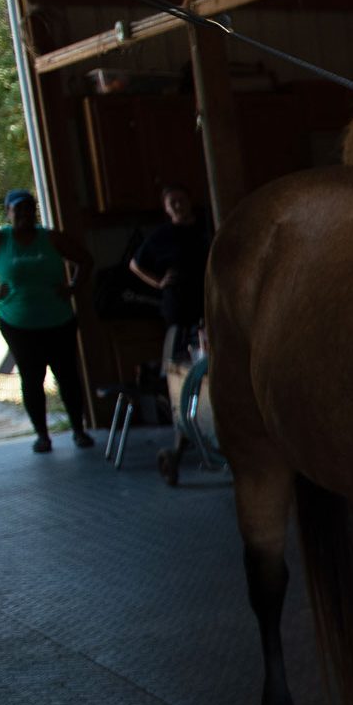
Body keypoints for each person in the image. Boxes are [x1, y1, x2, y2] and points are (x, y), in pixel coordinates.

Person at [0, 190, 94, 453]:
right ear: (8, 212)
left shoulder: (51, 238)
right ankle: (42, 436)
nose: (24, 214)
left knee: (67, 376)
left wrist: (72, 288)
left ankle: (79, 431)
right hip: (19, 325)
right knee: (32, 379)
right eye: (18, 209)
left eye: (29, 208)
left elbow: (85, 260)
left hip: (59, 321)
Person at [131, 184, 212, 484]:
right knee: (180, 375)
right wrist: (158, 282)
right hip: (179, 313)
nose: (177, 205)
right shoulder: (161, 237)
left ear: (190, 200)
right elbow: (135, 265)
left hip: (210, 310)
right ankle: (182, 439)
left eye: (181, 199)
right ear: (166, 208)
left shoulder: (207, 227)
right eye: (171, 202)